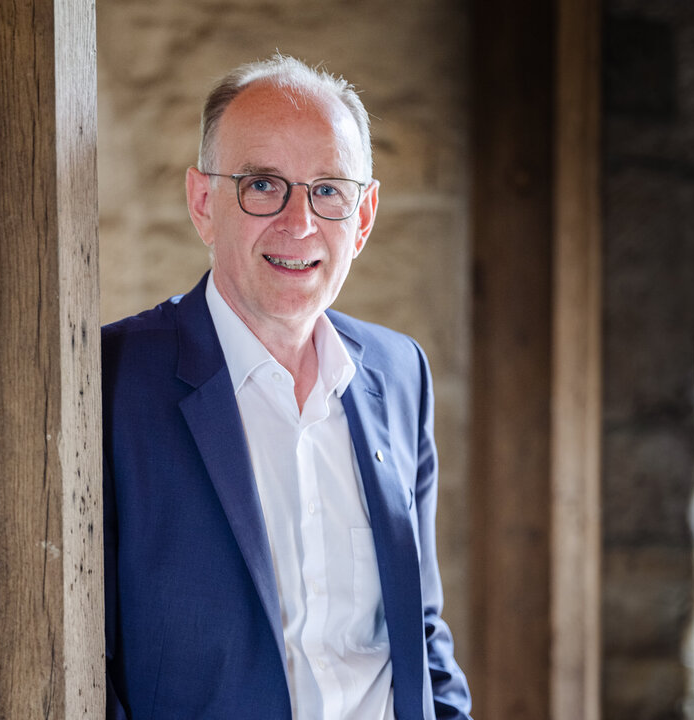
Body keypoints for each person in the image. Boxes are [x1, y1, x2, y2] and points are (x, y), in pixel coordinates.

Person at [102, 55, 472, 719]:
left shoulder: (399, 373)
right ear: (202, 201)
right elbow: (85, 665)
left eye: (329, 189)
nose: (299, 223)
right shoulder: (112, 378)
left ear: (363, 217)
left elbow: (420, 632)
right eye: (263, 185)